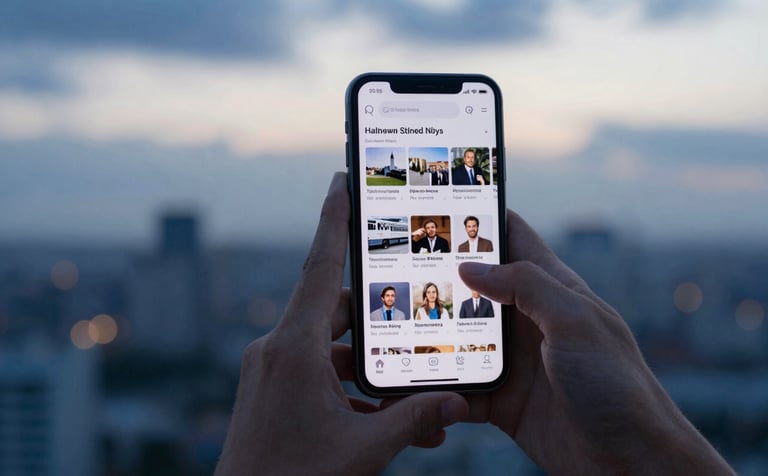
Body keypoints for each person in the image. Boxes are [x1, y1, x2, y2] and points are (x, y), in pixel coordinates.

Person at [215, 173, 735, 475]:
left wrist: (642, 449)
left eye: (469, 223)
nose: (396, 293)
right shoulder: (424, 291)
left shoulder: (463, 299)